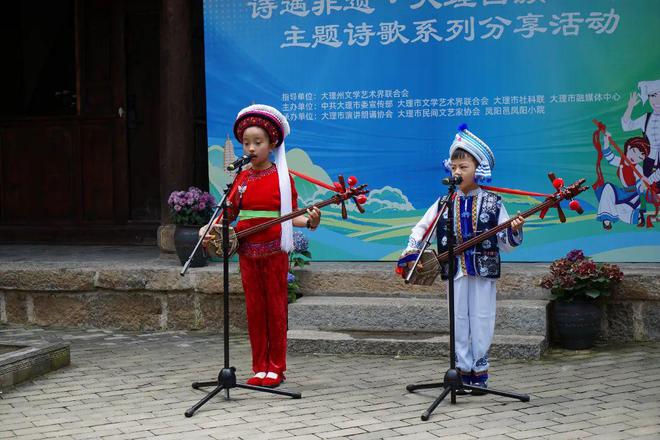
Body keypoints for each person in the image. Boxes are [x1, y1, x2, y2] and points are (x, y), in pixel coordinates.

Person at [398, 124, 524, 393]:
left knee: (482, 317)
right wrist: (411, 252)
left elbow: (507, 245)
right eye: (454, 167)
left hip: (482, 270)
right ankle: (461, 372)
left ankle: (479, 374)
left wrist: (513, 230)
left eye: (463, 167)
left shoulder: (493, 202)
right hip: (454, 269)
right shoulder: (445, 201)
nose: (457, 172)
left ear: (478, 169)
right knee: (459, 319)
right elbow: (422, 228)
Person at [201, 104, 321, 388]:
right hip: (245, 249)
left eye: (258, 142)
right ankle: (259, 367)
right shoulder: (241, 178)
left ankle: (276, 368)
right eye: (246, 143)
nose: (251, 148)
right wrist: (210, 226)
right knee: (254, 309)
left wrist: (312, 221)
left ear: (272, 144)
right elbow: (228, 211)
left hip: (274, 249)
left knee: (276, 308)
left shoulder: (282, 178)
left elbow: (293, 216)